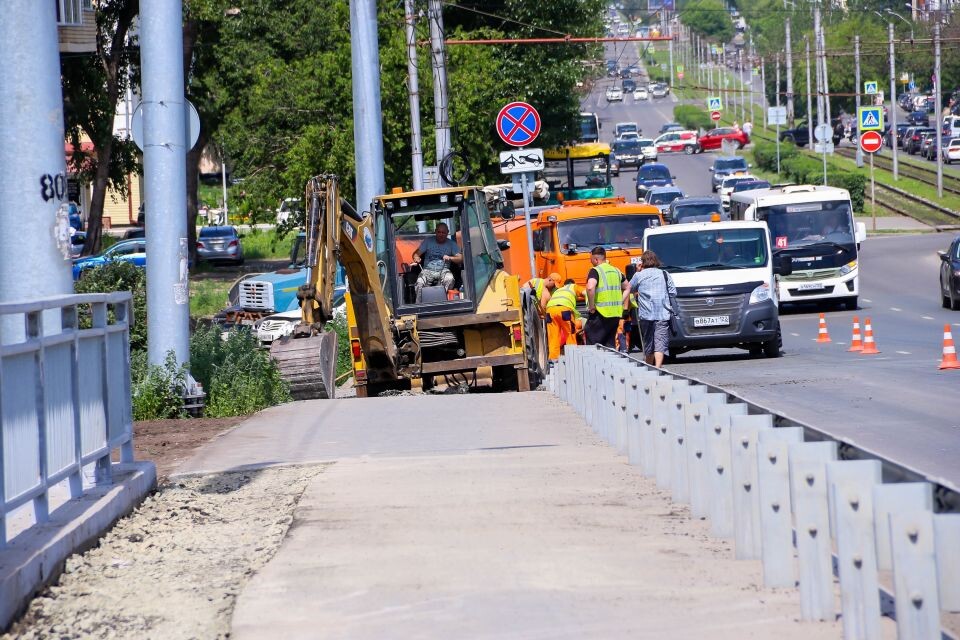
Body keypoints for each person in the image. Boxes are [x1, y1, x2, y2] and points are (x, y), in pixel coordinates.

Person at [625, 249, 677, 367]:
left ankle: (649, 367)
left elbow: (630, 289)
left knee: (649, 342)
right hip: (663, 314)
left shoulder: (639, 275)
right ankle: (658, 367)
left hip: (646, 315)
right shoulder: (664, 274)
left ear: (643, 262)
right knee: (660, 341)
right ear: (656, 261)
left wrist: (637, 271)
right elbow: (673, 293)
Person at [584, 246, 627, 347]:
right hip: (615, 314)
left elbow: (590, 287)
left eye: (591, 260)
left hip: (601, 313)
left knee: (592, 342)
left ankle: (594, 363)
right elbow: (627, 287)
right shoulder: (616, 271)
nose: (591, 262)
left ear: (596, 259)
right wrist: (620, 301)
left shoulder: (595, 270)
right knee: (609, 344)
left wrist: (591, 306)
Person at [413, 222, 462, 302]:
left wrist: (449, 257)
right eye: (439, 232)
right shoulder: (428, 242)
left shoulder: (451, 244)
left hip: (444, 270)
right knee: (419, 282)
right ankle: (419, 305)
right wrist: (416, 258)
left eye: (443, 232)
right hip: (427, 270)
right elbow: (415, 254)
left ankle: (442, 301)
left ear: (447, 232)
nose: (441, 234)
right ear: (435, 231)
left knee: (449, 279)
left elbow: (460, 258)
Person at [544, 278, 580, 360]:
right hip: (564, 310)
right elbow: (587, 291)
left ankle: (553, 360)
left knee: (553, 337)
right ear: (572, 284)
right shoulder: (574, 286)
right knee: (570, 334)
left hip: (550, 311)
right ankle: (572, 358)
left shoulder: (558, 291)